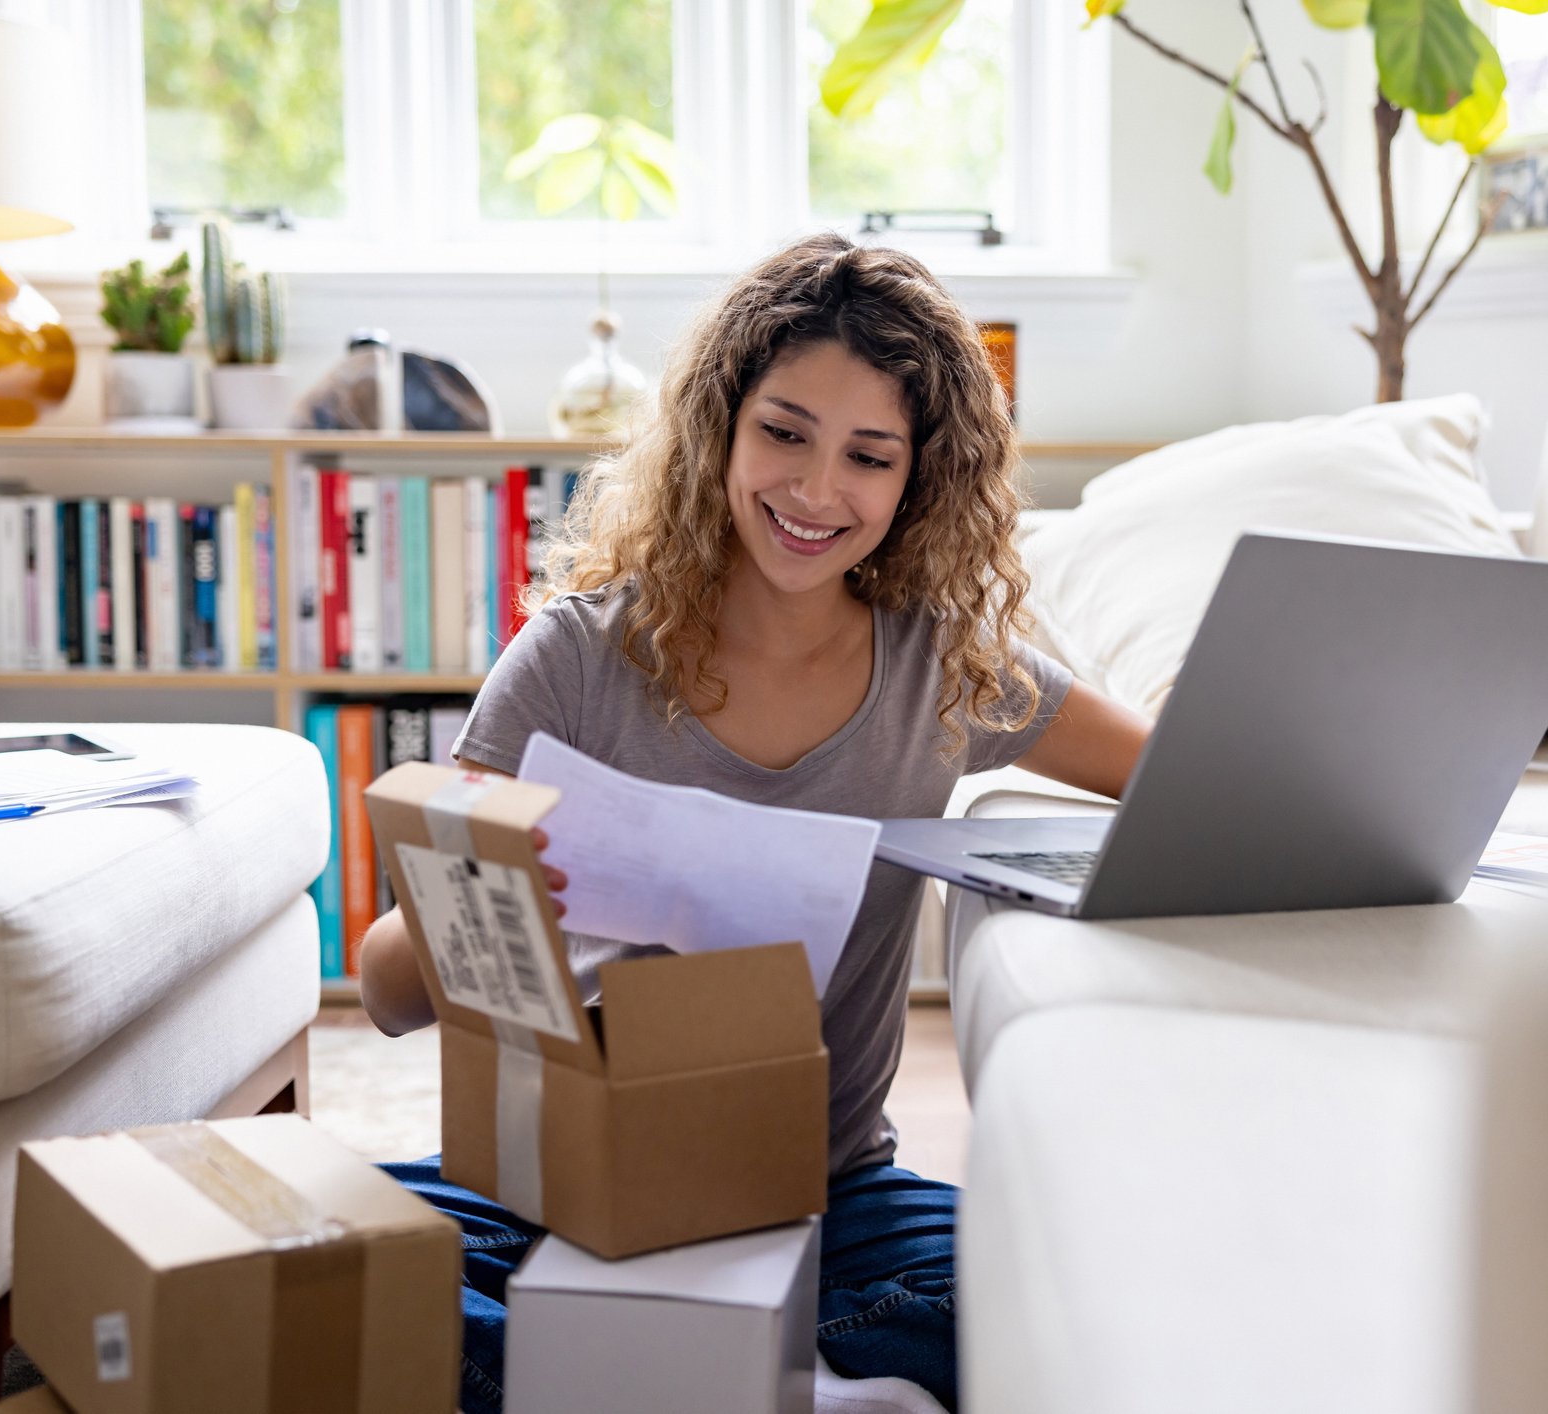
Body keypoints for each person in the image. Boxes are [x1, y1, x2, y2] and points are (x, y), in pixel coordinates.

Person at [358, 231, 1152, 1412]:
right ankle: (749, 1377)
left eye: (868, 457)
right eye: (783, 432)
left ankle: (658, 1373)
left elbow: (1168, 776)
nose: (816, 490)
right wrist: (483, 901)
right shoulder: (573, 660)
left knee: (1026, 1307)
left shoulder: (946, 669)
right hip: (556, 1185)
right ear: (719, 427)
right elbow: (381, 989)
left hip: (824, 1190)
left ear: (915, 479)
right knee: (361, 1294)